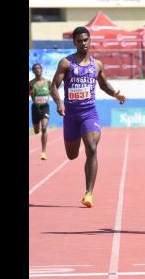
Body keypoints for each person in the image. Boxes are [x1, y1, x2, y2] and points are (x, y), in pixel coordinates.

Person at [50, 26, 126, 208]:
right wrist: (59, 103)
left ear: (90, 40)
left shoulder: (96, 64)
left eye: (86, 40)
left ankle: (88, 193)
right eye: (79, 40)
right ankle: (86, 186)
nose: (83, 43)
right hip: (71, 115)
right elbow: (53, 86)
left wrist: (115, 94)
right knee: (72, 154)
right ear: (74, 42)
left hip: (89, 113)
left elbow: (103, 84)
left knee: (91, 148)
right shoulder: (66, 63)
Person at [29, 63, 51, 160]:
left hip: (45, 107)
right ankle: (36, 128)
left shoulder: (48, 82)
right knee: (37, 130)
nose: (37, 70)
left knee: (45, 128)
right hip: (35, 108)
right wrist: (30, 92)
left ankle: (44, 152)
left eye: (39, 68)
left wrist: (59, 103)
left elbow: (53, 93)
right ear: (33, 71)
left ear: (41, 70)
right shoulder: (31, 83)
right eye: (35, 69)